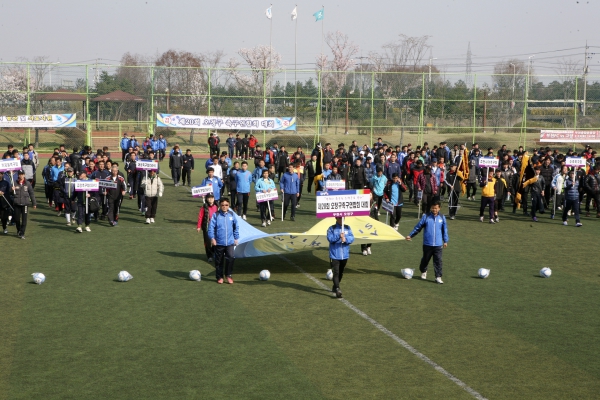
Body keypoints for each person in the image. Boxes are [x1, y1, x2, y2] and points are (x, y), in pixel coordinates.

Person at [405, 200, 448, 284]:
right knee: (425, 259)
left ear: (439, 208)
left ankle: (438, 277)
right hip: (427, 244)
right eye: (432, 208)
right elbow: (418, 227)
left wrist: (445, 241)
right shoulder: (426, 217)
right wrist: (410, 235)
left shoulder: (442, 217)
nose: (434, 210)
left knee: (438, 261)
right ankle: (423, 271)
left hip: (438, 245)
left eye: (436, 208)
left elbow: (444, 230)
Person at [208, 197, 239, 284]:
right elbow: (211, 228)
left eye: (226, 205)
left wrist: (236, 238)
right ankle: (219, 276)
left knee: (231, 258)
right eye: (223, 205)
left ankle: (228, 275)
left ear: (229, 205)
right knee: (219, 261)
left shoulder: (232, 215)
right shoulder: (216, 215)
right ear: (220, 206)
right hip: (219, 242)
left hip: (230, 242)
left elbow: (236, 227)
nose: (224, 206)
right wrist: (212, 238)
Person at [327, 216, 355, 298]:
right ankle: (338, 289)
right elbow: (330, 239)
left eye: (342, 218)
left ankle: (335, 286)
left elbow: (352, 238)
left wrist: (345, 239)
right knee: (336, 272)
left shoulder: (347, 227)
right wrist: (338, 236)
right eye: (339, 218)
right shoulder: (332, 228)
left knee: (341, 272)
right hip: (335, 255)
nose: (341, 220)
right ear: (336, 218)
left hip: (345, 255)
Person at [11, 170, 37, 239]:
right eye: (20, 174)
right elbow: (10, 193)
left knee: (24, 219)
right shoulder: (14, 183)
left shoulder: (27, 183)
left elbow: (31, 193)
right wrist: (11, 189)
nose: (21, 175)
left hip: (25, 204)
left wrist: (34, 203)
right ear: (18, 175)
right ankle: (19, 230)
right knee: (16, 219)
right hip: (17, 203)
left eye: (22, 174)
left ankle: (22, 233)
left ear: (24, 175)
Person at [197, 193, 218, 262]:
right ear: (206, 199)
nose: (210, 199)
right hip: (207, 226)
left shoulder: (217, 206)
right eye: (209, 198)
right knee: (207, 242)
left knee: (216, 241)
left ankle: (214, 252)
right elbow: (200, 217)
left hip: (216, 227)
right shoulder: (204, 207)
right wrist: (198, 226)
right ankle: (209, 256)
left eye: (212, 197)